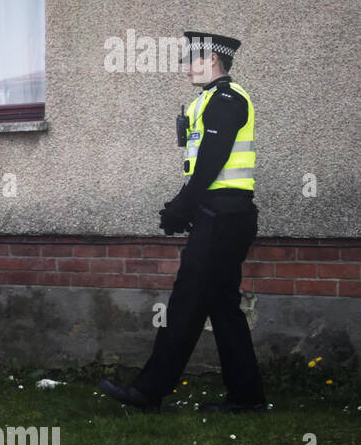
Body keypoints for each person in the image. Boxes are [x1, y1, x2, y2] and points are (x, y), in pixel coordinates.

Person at [101, 32, 266, 414]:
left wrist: (182, 207)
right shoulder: (206, 100)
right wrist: (187, 205)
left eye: (193, 58)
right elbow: (201, 165)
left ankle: (149, 391)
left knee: (186, 303)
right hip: (221, 214)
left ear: (212, 59)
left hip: (224, 216)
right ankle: (247, 397)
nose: (186, 65)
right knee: (223, 308)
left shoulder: (228, 100)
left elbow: (211, 161)